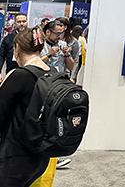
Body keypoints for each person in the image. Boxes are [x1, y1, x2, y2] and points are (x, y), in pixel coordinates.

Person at [0, 27, 50, 186]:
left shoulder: (19, 75)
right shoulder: (52, 73)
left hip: (14, 156)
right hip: (40, 156)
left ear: (16, 49)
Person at [40, 20, 74, 170]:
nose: (60, 36)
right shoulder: (39, 45)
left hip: (59, 88)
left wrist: (67, 55)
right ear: (48, 32)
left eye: (62, 33)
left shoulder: (62, 45)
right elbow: (34, 63)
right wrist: (49, 54)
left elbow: (71, 66)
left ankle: (54, 156)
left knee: (57, 121)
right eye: (57, 33)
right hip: (42, 87)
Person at [0, 13, 28, 83]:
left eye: (24, 21)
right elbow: (1, 56)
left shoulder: (32, 38)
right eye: (19, 22)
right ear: (14, 23)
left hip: (28, 73)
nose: (22, 24)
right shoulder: (8, 38)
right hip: (11, 72)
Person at [57, 17, 81, 84]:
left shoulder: (73, 41)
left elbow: (76, 60)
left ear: (65, 27)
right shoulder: (53, 39)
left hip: (66, 72)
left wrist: (73, 77)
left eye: (60, 25)